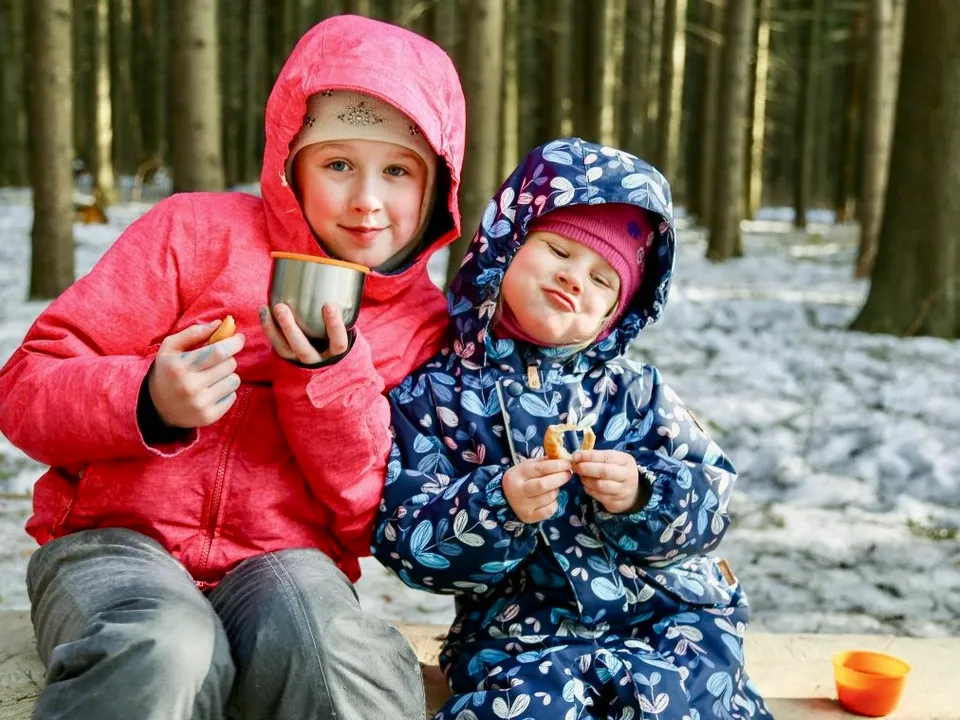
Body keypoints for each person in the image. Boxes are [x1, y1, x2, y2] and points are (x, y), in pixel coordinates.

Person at [0, 14, 465, 720]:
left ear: (436, 188)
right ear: (290, 163)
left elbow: (370, 510)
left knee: (334, 650)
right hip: (115, 550)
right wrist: (147, 398)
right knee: (168, 645)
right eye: (338, 163)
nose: (368, 200)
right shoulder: (194, 233)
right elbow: (27, 386)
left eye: (398, 171)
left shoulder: (422, 325)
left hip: (290, 568)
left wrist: (326, 378)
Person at [373, 138, 771, 719]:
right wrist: (498, 505)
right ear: (507, 245)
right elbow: (408, 541)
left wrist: (643, 494)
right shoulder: (434, 396)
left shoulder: (635, 393)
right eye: (558, 249)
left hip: (668, 618)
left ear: (621, 311)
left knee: (686, 703)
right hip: (520, 635)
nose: (575, 278)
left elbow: (711, 502)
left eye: (604, 279)